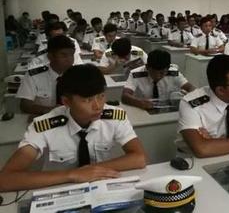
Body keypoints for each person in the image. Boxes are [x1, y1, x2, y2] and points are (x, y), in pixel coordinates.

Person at [0, 64, 146, 192]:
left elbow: (139, 158)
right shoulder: (44, 125)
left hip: (100, 189)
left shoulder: (115, 116)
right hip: (59, 189)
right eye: (87, 100)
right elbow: (6, 179)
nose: (98, 106)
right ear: (66, 101)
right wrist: (73, 174)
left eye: (101, 96)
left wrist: (92, 171)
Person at [17, 35, 76, 116]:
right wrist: (51, 110)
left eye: (72, 55)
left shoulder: (78, 75)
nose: (69, 59)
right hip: (44, 120)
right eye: (64, 55)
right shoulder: (34, 76)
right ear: (50, 56)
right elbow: (25, 105)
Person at [122, 49, 195, 110]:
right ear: (147, 67)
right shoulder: (135, 74)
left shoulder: (173, 72)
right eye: (153, 72)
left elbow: (191, 87)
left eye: (162, 73)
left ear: (168, 68)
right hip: (142, 110)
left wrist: (190, 95)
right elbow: (124, 96)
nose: (157, 76)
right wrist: (138, 102)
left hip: (166, 110)